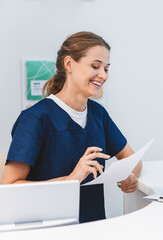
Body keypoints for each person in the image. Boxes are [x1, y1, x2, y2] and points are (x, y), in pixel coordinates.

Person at [1, 31, 142, 223]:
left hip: (93, 225)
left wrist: (129, 177)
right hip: (49, 229)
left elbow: (132, 159)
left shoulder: (98, 114)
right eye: (95, 66)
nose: (103, 75)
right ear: (69, 64)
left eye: (106, 69)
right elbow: (9, 187)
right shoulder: (35, 118)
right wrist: (71, 179)